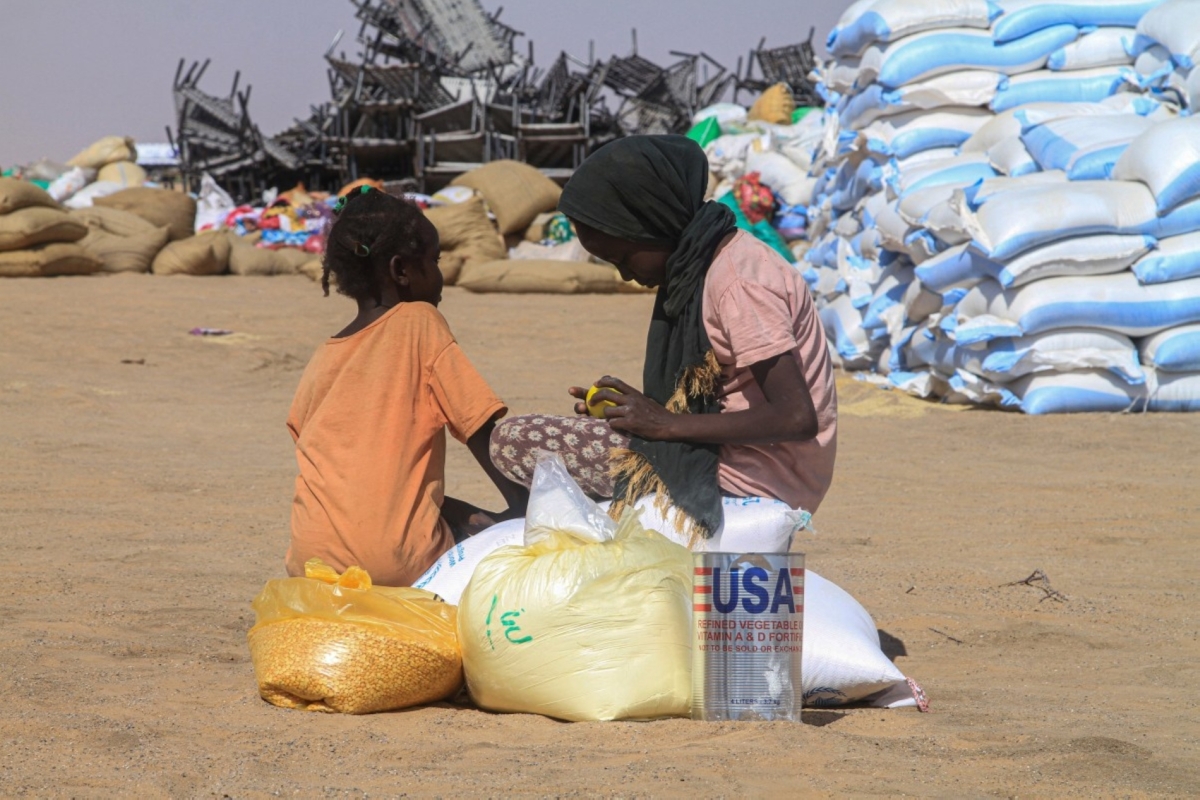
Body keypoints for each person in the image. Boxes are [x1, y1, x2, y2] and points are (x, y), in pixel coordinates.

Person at [490, 135, 836, 539]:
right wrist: (634, 414)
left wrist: (666, 424)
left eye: (623, 257)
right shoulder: (708, 260)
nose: (623, 274)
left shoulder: (737, 283)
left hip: (753, 476)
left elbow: (796, 417)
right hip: (732, 454)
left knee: (515, 440)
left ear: (654, 222)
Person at [286, 187, 527, 586]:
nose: (440, 275)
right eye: (433, 261)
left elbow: (338, 469)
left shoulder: (322, 357)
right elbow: (478, 427)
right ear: (401, 270)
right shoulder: (418, 322)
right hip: (397, 563)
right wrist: (523, 509)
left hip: (311, 562)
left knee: (444, 510)